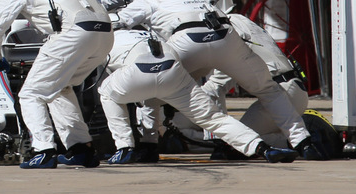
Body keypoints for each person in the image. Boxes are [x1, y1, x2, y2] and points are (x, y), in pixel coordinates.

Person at [111, 0, 325, 158]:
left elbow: (117, 21)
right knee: (269, 90)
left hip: (188, 41)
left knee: (155, 81)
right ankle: (304, 142)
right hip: (224, 36)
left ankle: (149, 145)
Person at [0, 0, 112, 168]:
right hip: (104, 33)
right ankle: (80, 147)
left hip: (73, 33)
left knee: (31, 93)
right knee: (60, 88)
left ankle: (43, 150)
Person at [98, 28, 299, 164]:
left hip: (138, 71)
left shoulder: (108, 39)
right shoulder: (149, 33)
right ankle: (262, 148)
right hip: (172, 71)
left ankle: (125, 148)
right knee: (215, 119)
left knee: (106, 93)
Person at [194, 0, 309, 151]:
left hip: (280, 94)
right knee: (251, 140)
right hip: (296, 91)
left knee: (238, 144)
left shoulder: (228, 28)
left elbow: (217, 86)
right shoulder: (244, 22)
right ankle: (299, 138)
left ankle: (304, 140)